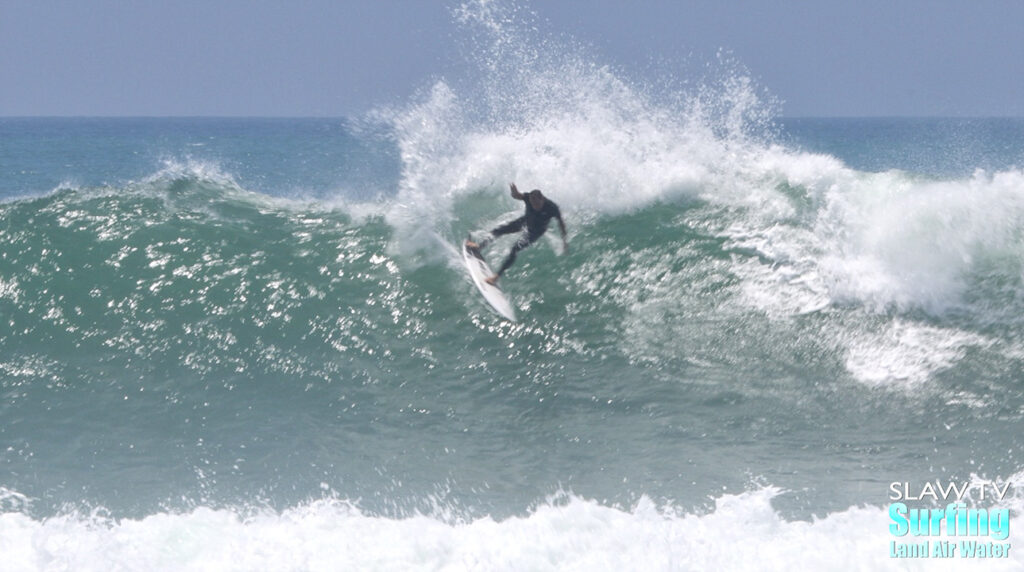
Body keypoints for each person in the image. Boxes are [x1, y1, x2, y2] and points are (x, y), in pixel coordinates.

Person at [466, 182, 568, 285]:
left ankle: (496, 277)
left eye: (537, 203)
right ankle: (479, 246)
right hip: (525, 221)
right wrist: (514, 192)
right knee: (499, 230)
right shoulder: (528, 197)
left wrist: (564, 241)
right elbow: (517, 196)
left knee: (514, 249)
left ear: (542, 199)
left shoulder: (552, 207)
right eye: (532, 204)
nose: (535, 206)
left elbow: (561, 223)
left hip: (536, 231)